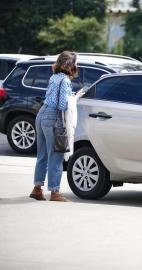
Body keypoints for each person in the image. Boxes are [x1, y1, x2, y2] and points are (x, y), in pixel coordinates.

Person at [29, 51, 84, 202]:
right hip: (53, 117)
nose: (77, 66)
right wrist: (75, 98)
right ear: (70, 65)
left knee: (42, 155)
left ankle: (37, 189)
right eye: (76, 64)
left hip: (41, 114)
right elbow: (62, 105)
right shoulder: (65, 81)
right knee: (56, 155)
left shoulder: (54, 77)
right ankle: (55, 192)